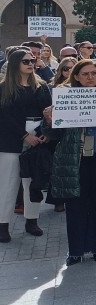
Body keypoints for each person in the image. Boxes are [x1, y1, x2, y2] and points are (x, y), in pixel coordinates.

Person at [48, 60, 96, 265]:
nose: (90, 77)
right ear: (76, 76)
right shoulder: (64, 96)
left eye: (94, 73)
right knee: (76, 207)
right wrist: (50, 120)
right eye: (85, 74)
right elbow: (52, 135)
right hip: (74, 161)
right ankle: (76, 251)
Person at [0, 48, 53, 242]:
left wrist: (45, 134)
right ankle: (3, 224)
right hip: (11, 141)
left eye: (32, 60)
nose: (31, 64)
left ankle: (32, 220)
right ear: (15, 64)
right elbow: (4, 116)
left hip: (38, 138)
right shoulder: (4, 87)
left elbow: (49, 112)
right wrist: (23, 136)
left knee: (33, 182)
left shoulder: (41, 86)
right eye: (26, 61)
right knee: (8, 184)